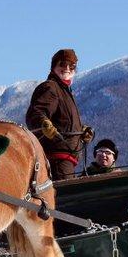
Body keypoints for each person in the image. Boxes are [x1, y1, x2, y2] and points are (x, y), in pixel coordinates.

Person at [26, 49, 93, 179]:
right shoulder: (51, 87)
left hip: (67, 157)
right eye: (62, 64)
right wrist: (44, 124)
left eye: (72, 66)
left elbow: (64, 121)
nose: (67, 68)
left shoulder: (64, 91)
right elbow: (35, 113)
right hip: (56, 156)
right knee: (65, 197)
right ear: (54, 67)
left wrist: (81, 132)